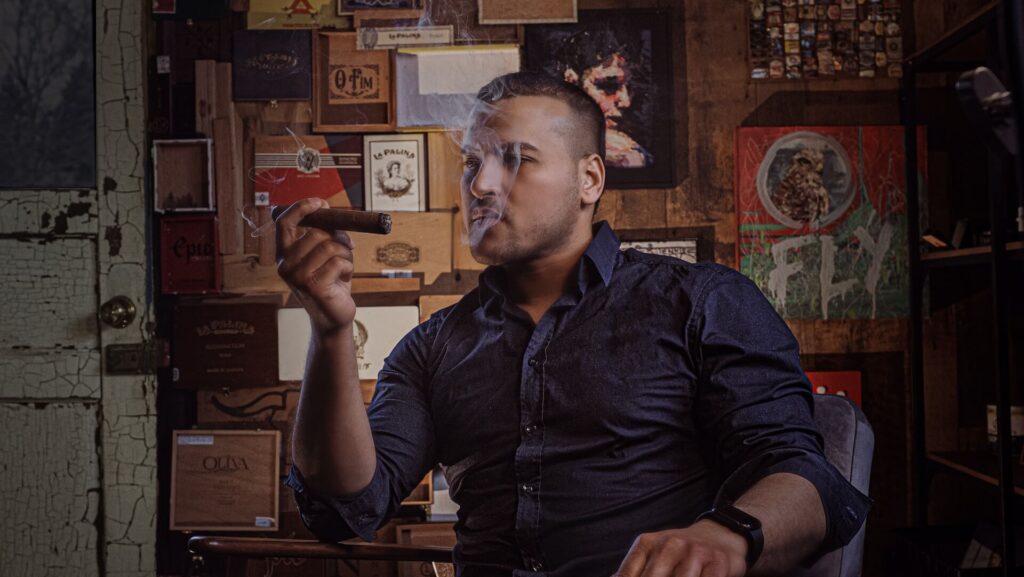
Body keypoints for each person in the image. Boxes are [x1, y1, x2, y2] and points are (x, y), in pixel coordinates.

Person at [276, 72, 870, 577]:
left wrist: (727, 536)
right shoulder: (432, 347)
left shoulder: (703, 302)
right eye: (472, 162)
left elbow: (805, 479)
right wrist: (329, 330)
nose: (480, 185)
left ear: (590, 179)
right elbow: (348, 501)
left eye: (516, 159)